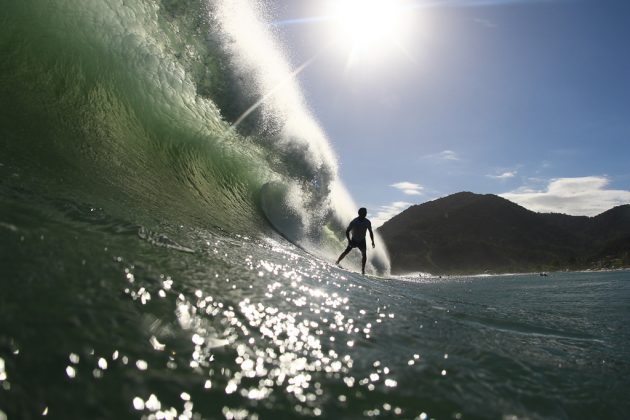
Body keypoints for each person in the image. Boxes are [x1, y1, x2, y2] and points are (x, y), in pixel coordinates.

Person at [336, 207, 375, 275]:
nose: (365, 214)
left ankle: (363, 270)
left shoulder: (367, 222)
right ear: (359, 213)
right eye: (363, 213)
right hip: (354, 240)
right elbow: (347, 231)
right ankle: (337, 261)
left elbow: (370, 232)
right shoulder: (354, 222)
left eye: (365, 213)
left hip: (362, 241)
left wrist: (372, 241)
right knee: (346, 252)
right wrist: (349, 240)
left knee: (364, 255)